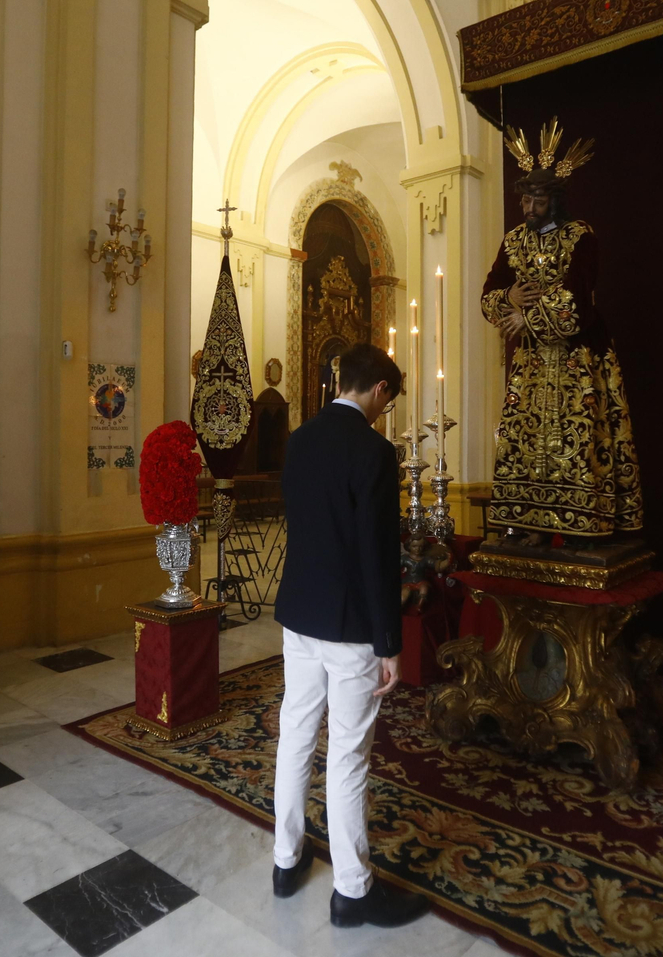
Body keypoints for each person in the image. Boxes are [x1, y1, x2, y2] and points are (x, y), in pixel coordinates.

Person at [271, 342, 428, 928]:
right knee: (347, 756)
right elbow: (376, 552)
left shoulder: (300, 438)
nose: (386, 412)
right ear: (379, 390)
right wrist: (390, 641)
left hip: (300, 614)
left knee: (295, 733)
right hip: (351, 628)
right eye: (389, 401)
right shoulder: (373, 450)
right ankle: (353, 892)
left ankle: (286, 861)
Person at [481, 118, 643, 546]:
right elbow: (490, 291)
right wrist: (510, 300)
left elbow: (577, 296)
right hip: (532, 363)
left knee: (580, 437)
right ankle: (533, 521)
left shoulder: (580, 236)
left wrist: (528, 320)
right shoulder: (513, 241)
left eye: (537, 201)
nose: (528, 209)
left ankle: (581, 525)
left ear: (555, 201)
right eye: (525, 200)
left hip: (577, 357)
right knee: (526, 440)